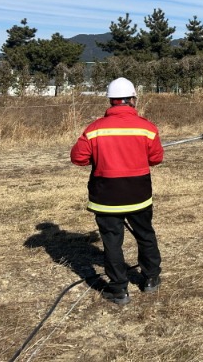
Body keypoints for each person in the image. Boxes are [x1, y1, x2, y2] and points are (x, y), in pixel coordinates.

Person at [70, 77, 164, 305]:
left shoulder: (94, 130)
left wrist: (98, 155)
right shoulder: (147, 128)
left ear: (111, 101)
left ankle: (118, 289)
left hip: (106, 196)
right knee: (145, 234)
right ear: (133, 99)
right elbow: (156, 158)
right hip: (138, 194)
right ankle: (151, 278)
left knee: (112, 241)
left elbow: (78, 158)